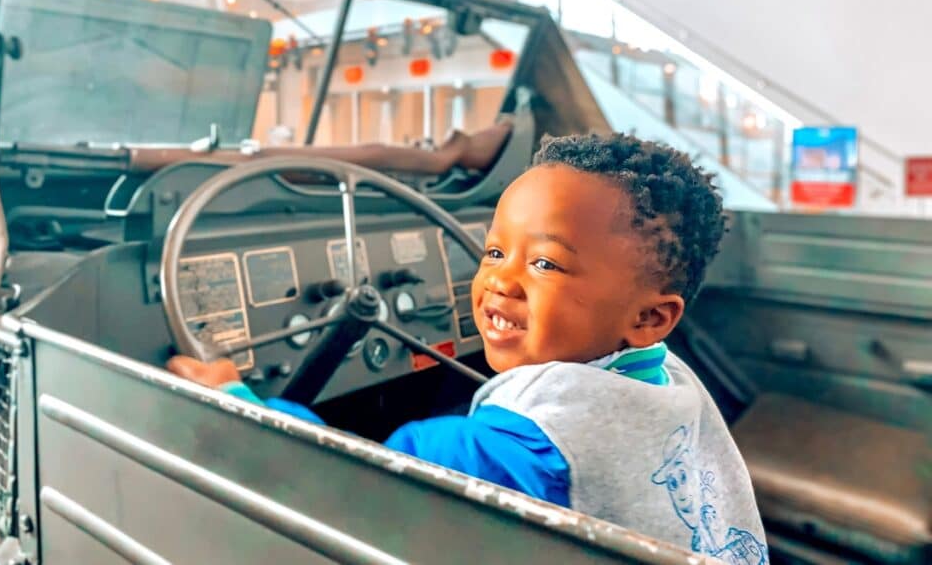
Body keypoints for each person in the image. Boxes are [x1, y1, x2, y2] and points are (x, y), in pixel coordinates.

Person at [167, 133, 768, 561]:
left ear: (650, 317)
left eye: (545, 262)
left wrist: (236, 396)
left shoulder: (519, 452)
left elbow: (341, 479)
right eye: (494, 252)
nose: (502, 281)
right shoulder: (664, 379)